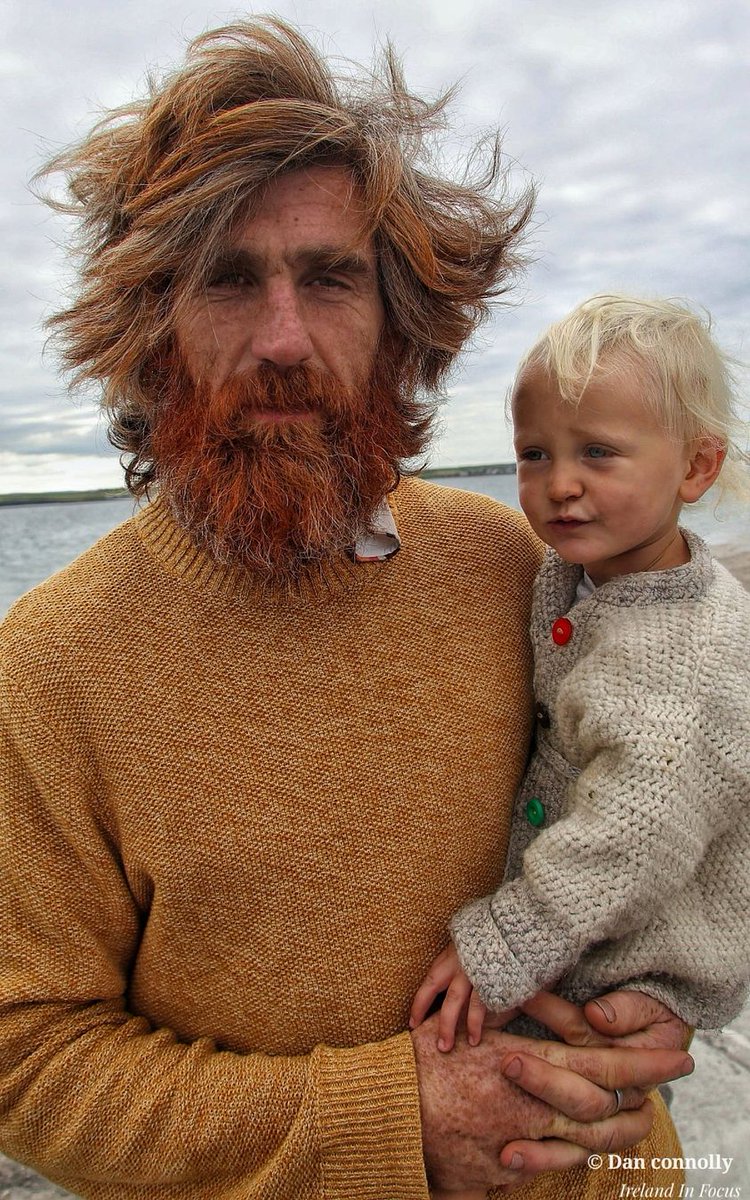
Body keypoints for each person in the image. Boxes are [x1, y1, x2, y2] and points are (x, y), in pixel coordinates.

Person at [0, 24, 693, 1200]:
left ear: (399, 322)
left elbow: (656, 788)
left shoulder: (515, 566)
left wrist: (656, 984)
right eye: (227, 277)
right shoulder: (47, 669)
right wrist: (385, 1122)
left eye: (330, 278)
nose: (284, 339)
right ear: (149, 325)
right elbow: (24, 1056)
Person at [412, 295, 750, 1074]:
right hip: (590, 943)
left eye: (598, 452)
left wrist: (509, 937)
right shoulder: (573, 577)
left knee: (561, 1130)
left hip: (628, 970)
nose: (560, 483)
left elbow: (635, 833)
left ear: (696, 466)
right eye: (535, 455)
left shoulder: (686, 657)